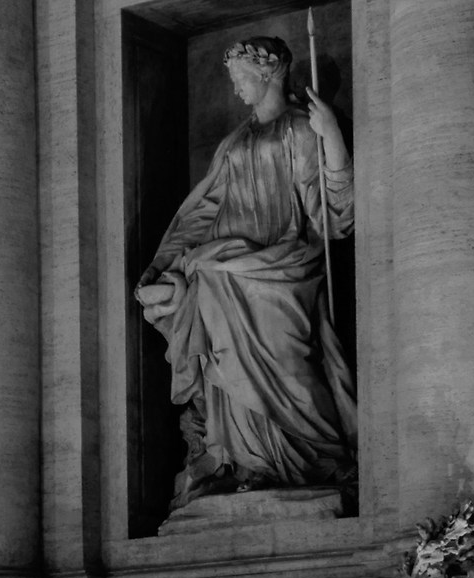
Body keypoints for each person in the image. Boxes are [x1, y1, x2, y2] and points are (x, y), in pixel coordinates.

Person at [137, 36, 356, 507]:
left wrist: (332, 135)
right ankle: (250, 461)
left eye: (241, 79)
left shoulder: (300, 128)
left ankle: (314, 456)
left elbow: (332, 213)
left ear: (268, 74)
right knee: (212, 295)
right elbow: (201, 211)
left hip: (284, 265)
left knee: (289, 361)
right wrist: (162, 263)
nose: (236, 89)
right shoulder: (233, 143)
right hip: (223, 269)